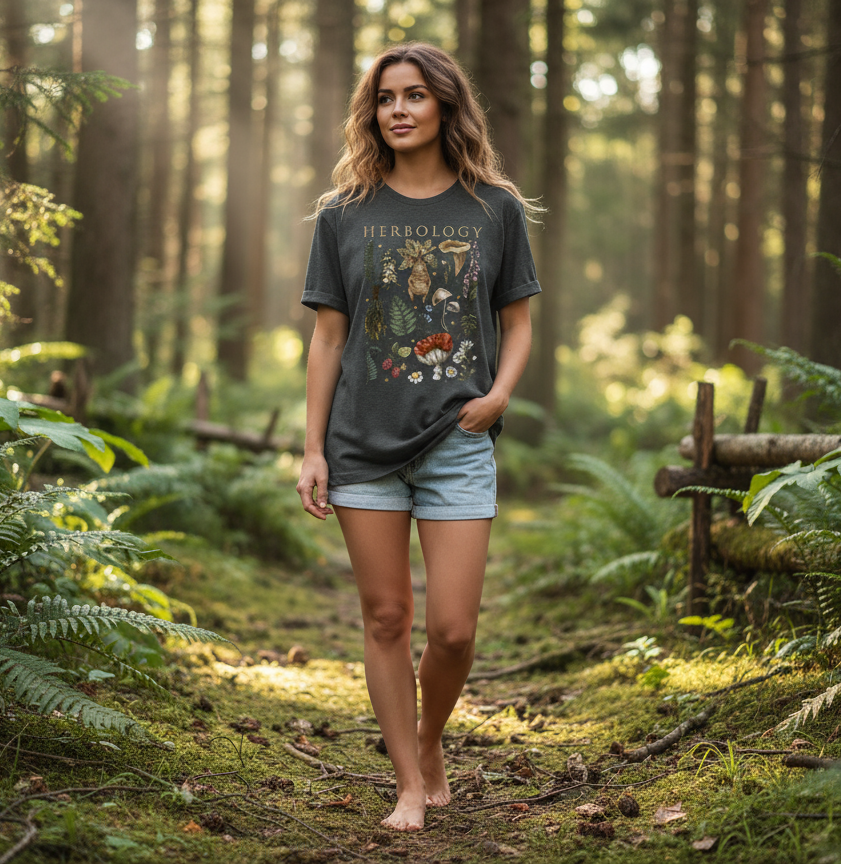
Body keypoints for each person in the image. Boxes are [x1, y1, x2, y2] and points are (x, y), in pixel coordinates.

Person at [296, 42, 541, 832]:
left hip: (458, 441)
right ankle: (408, 781)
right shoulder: (343, 213)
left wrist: (498, 395)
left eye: (414, 95)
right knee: (386, 618)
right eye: (384, 98)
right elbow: (328, 339)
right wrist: (312, 449)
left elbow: (518, 322)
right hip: (362, 445)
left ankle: (430, 738)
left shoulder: (493, 208)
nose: (397, 110)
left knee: (455, 630)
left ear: (445, 105)